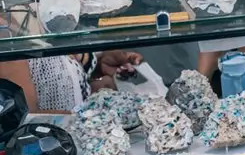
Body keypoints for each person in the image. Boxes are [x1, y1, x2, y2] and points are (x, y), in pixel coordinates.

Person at [1, 50, 142, 112]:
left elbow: (56, 74)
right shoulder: (5, 34)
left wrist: (96, 66)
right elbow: (25, 120)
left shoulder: (32, 6)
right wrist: (93, 115)